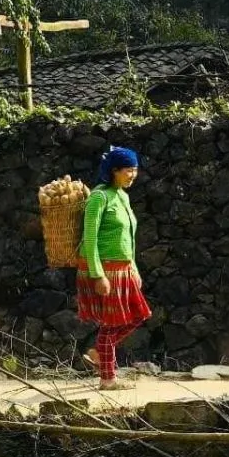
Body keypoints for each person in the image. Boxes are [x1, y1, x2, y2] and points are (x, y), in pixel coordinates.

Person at [78, 145, 150, 391]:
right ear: (114, 170)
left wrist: (134, 270)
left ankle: (99, 353)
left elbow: (128, 238)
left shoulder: (122, 195)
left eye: (135, 170)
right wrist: (97, 275)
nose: (133, 175)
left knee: (138, 315)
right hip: (106, 270)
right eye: (128, 170)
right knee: (110, 325)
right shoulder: (99, 196)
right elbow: (89, 237)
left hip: (123, 269)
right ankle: (108, 379)